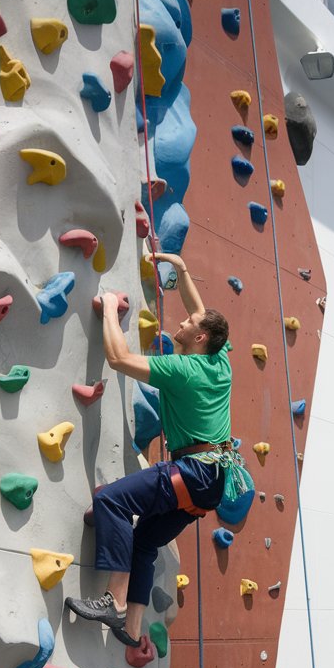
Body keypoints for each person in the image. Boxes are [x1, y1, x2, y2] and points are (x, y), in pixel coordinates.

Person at [64, 252, 232, 646]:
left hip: (194, 470)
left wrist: (108, 309)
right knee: (145, 541)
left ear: (200, 338)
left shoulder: (183, 370)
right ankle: (134, 626)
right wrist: (181, 266)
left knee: (113, 503)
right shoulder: (220, 361)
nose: (183, 321)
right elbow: (200, 309)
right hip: (213, 478)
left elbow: (118, 357)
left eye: (188, 324)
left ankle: (115, 604)